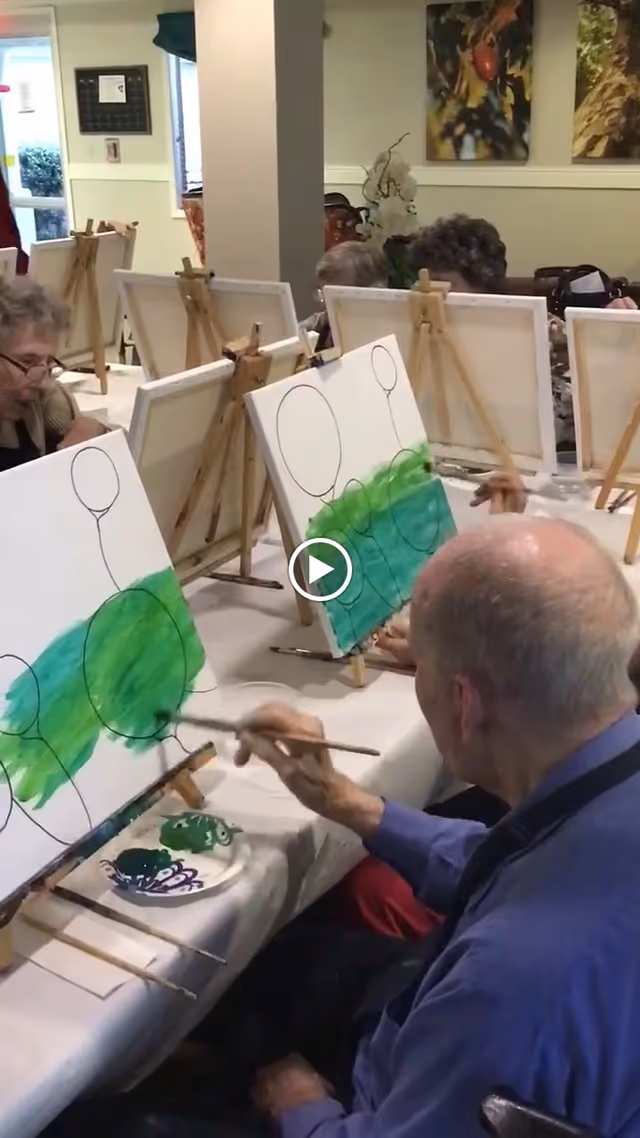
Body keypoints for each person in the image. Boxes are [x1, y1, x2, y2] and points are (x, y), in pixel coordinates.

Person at [223, 516, 640, 1137]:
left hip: (409, 1094)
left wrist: (302, 1108)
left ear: (464, 705)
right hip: (461, 1034)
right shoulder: (609, 780)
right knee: (276, 964)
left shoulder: (508, 989)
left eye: (423, 670)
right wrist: (344, 801)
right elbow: (517, 866)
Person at [409, 213, 638, 452]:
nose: (427, 292)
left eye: (440, 282)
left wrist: (618, 342)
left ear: (480, 281)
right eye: (421, 282)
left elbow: (576, 419)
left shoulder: (541, 332)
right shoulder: (419, 330)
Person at [0, 276, 106, 470]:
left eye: (48, 362)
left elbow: (97, 433)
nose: (41, 380)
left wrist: (95, 432)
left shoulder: (43, 399)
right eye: (28, 361)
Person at [302, 241, 389, 349]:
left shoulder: (393, 338)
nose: (324, 306)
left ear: (372, 294)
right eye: (322, 294)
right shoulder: (323, 325)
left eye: (335, 298)